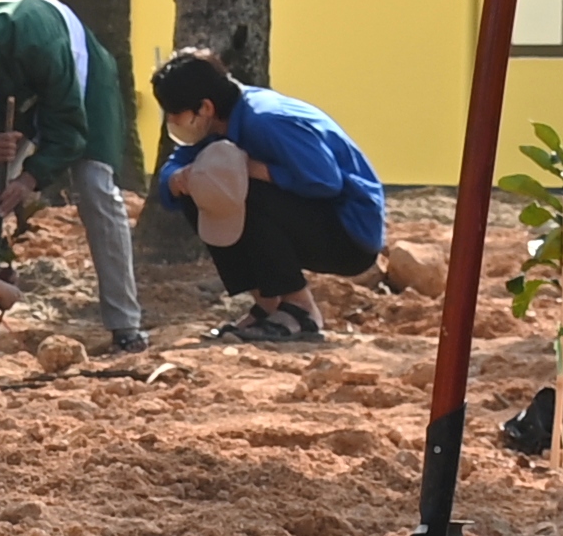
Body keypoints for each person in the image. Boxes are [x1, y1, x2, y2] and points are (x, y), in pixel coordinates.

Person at [0, 0, 148, 350]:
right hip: (4, 92)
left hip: (80, 87)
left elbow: (69, 131)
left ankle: (125, 325)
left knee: (95, 188)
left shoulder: (37, 43)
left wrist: (29, 178)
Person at [140, 50, 386, 345]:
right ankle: (268, 304)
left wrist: (256, 170)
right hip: (308, 217)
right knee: (206, 187)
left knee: (240, 187)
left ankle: (300, 309)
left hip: (348, 234)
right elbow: (177, 167)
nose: (170, 120)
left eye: (174, 112)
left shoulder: (268, 120)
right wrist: (177, 180)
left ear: (204, 107)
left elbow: (326, 181)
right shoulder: (215, 125)